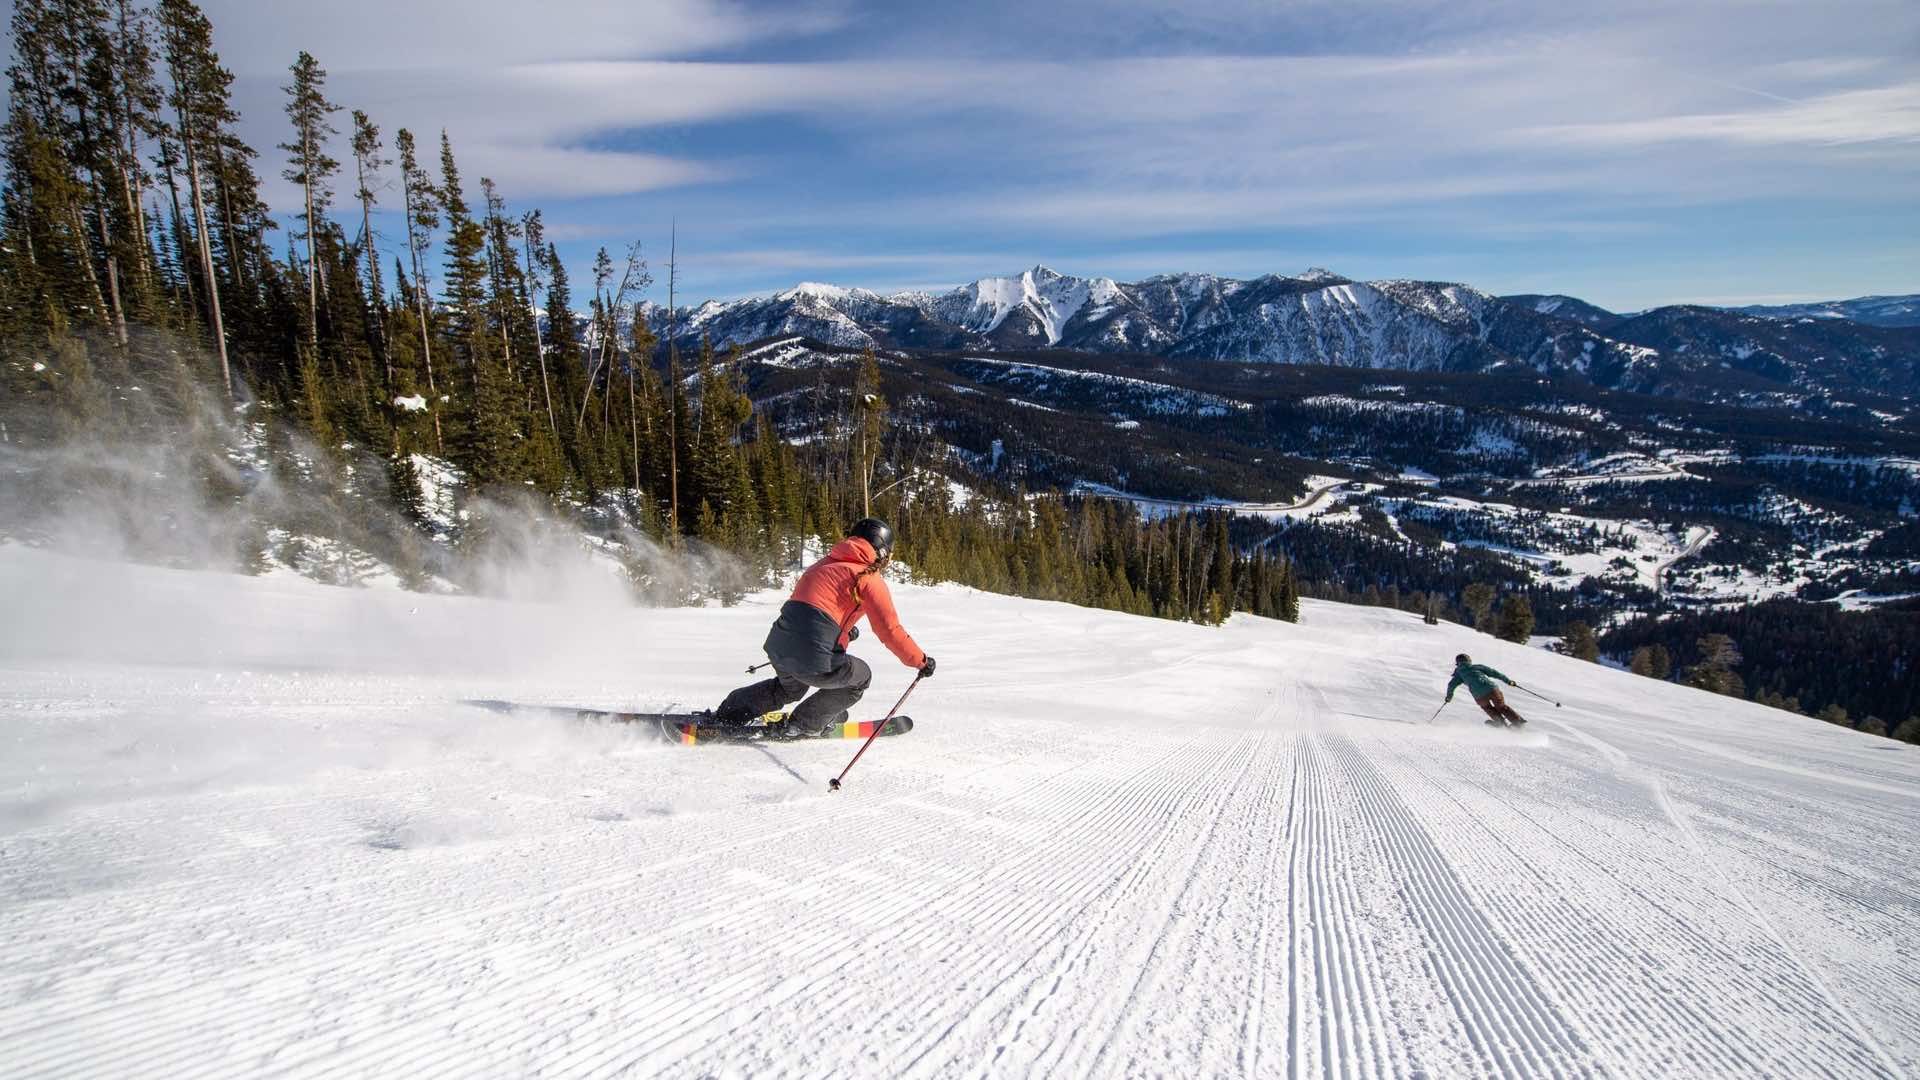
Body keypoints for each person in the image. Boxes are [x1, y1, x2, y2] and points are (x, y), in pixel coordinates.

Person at [714, 517, 935, 735]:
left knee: (789, 688)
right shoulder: (869, 579)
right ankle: (804, 723)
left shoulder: (822, 565)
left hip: (778, 646)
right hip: (814, 658)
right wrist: (920, 661)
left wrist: (843, 632)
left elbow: (809, 609)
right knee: (861, 677)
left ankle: (730, 711)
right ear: (882, 551)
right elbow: (889, 631)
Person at [1445, 653, 1527, 726]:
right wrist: (1508, 681)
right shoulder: (1477, 667)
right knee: (1501, 706)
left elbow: (1451, 685)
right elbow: (1495, 673)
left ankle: (1500, 723)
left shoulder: (1459, 674)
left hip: (1478, 695)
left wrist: (1449, 697)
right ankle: (1517, 722)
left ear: (1458, 663)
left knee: (1487, 707)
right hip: (1492, 689)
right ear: (1469, 660)